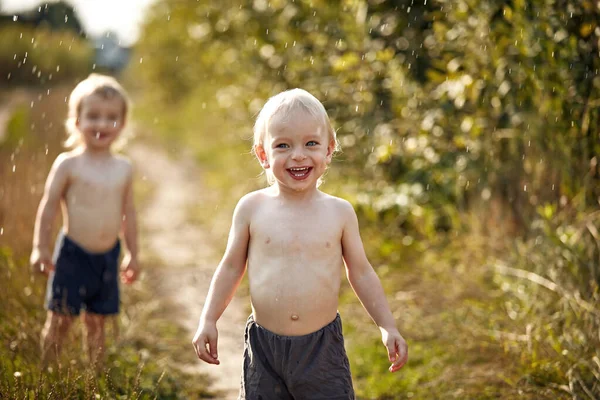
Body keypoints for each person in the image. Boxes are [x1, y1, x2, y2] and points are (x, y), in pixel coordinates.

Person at [192, 88, 408, 399]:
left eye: (311, 143)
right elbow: (230, 267)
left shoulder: (339, 213)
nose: (298, 155)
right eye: (283, 145)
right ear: (264, 156)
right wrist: (209, 318)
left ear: (329, 150)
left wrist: (387, 326)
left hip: (321, 348)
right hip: (264, 348)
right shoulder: (252, 209)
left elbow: (361, 273)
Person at [30, 73, 139, 369]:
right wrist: (39, 247)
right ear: (76, 120)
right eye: (93, 116)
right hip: (73, 254)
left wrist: (133, 254)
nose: (102, 124)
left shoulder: (123, 168)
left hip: (107, 256)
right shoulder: (69, 164)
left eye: (111, 118)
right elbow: (49, 206)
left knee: (97, 322)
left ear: (122, 124)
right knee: (61, 318)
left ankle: (96, 376)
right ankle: (47, 371)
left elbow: (129, 214)